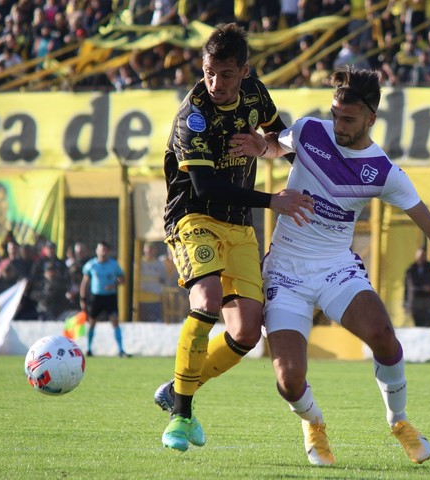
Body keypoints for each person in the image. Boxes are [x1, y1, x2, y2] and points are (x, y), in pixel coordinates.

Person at [229, 67, 430, 466]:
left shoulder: (384, 171)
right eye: (335, 115)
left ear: (370, 118)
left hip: (336, 268)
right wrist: (262, 146)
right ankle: (313, 422)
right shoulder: (309, 130)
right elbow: (276, 146)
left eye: (348, 119)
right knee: (288, 381)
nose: (338, 125)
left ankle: (399, 421)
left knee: (384, 336)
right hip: (286, 270)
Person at [153, 23, 314, 452]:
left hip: (239, 225)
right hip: (193, 217)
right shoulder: (193, 117)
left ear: (244, 71)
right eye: (209, 73)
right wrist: (272, 201)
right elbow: (206, 188)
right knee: (206, 300)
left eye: (225, 74)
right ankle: (181, 415)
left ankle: (177, 389)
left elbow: (284, 139)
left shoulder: (256, 94)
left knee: (245, 332)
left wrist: (267, 146)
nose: (215, 84)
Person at [79, 241, 130, 357]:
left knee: (115, 321)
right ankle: (89, 349)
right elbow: (85, 282)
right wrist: (82, 298)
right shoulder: (91, 265)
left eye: (105, 250)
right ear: (97, 251)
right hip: (96, 297)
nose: (103, 252)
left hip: (110, 297)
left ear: (108, 251)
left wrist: (114, 285)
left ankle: (121, 350)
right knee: (92, 323)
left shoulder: (113, 264)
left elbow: (122, 279)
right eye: (101, 249)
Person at [404, 247, 430, 328]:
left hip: (429, 303)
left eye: (422, 256)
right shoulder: (411, 270)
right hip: (416, 303)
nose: (420, 258)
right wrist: (406, 303)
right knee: (418, 327)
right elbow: (407, 288)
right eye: (419, 256)